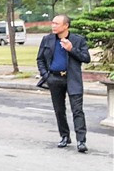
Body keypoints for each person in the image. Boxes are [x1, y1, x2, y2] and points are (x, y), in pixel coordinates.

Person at [36, 14, 92, 153]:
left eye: (56, 23)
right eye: (52, 23)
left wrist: (71, 49)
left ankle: (81, 140)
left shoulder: (78, 40)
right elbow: (40, 59)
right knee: (59, 110)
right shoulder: (47, 39)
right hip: (54, 79)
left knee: (77, 110)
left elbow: (86, 58)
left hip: (72, 79)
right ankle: (65, 136)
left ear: (66, 26)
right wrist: (46, 76)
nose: (53, 25)